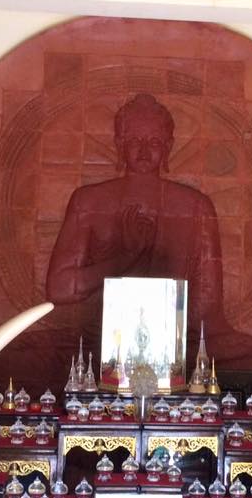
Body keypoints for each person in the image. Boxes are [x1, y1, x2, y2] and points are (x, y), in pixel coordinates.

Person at [46, 94, 223, 332]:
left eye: (154, 142)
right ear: (120, 145)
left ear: (168, 147)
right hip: (96, 333)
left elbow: (209, 306)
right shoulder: (88, 200)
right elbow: (59, 288)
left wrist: (173, 333)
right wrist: (124, 259)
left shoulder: (197, 207)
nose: (144, 151)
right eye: (134, 141)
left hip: (175, 334)